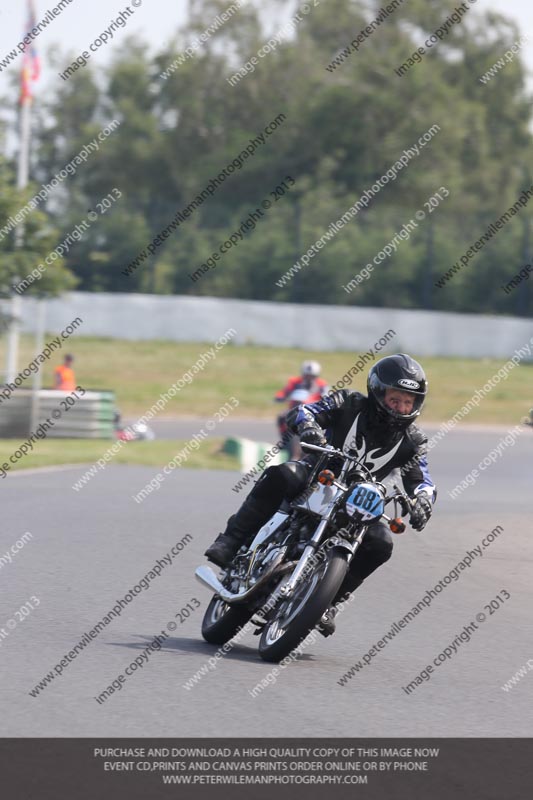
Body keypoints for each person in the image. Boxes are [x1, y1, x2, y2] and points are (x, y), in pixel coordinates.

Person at [205, 354, 437, 636]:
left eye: (408, 401)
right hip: (317, 476)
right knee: (283, 474)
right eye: (394, 399)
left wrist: (424, 499)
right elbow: (305, 411)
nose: (401, 407)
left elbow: (421, 478)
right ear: (378, 393)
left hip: (358, 501)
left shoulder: (414, 440)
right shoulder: (349, 402)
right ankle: (231, 541)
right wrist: (310, 428)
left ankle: (331, 601)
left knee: (381, 543)